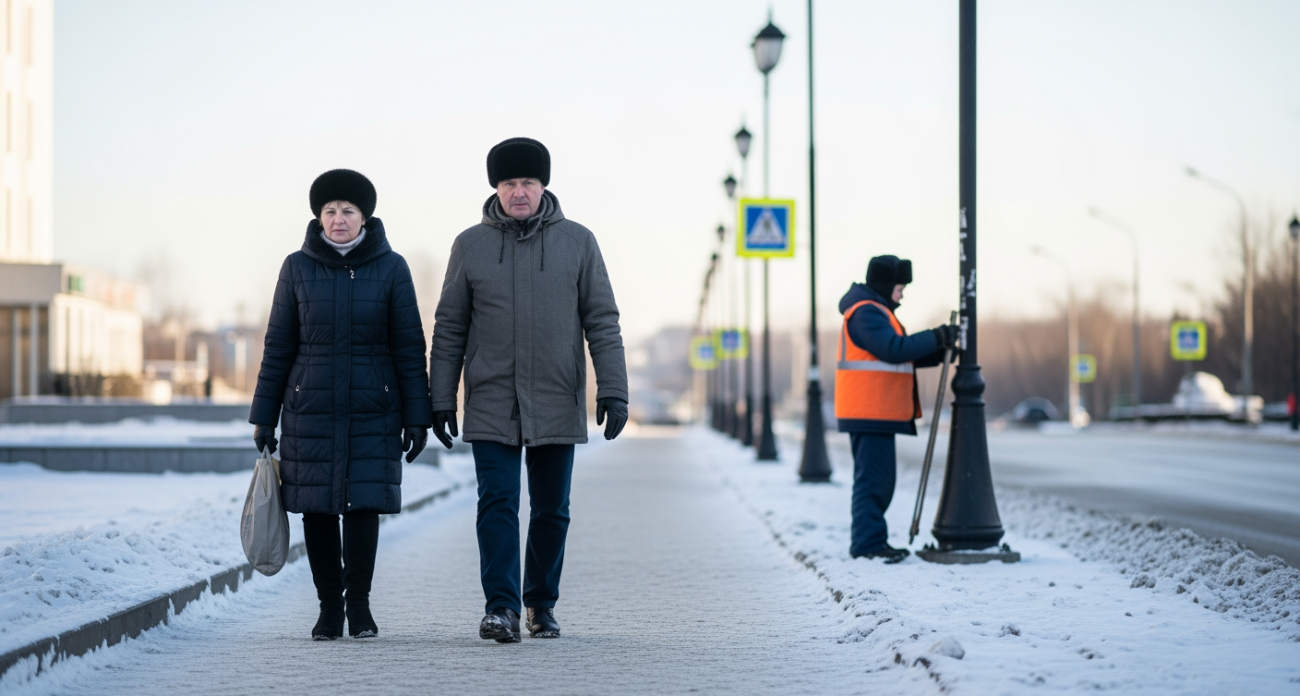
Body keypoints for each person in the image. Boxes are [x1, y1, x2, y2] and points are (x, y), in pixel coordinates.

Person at [429, 137, 628, 642]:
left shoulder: (578, 242)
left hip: (557, 395)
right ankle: (501, 608)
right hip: (492, 396)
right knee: (497, 502)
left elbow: (602, 320)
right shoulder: (470, 245)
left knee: (551, 509)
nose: (519, 192)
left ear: (544, 186)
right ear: (496, 188)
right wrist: (441, 397)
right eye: (509, 183)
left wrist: (614, 389)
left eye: (528, 182)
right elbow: (449, 327)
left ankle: (540, 603)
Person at [249, 169, 432, 640]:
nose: (338, 219)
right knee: (317, 508)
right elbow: (278, 346)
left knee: (363, 506)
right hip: (310, 408)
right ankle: (330, 608)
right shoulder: (296, 267)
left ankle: (360, 606)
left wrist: (417, 417)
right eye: (329, 211)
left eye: (348, 211)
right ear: (318, 218)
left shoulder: (392, 268)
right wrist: (264, 417)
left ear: (364, 217)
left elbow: (409, 347)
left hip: (374, 407)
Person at [835, 255, 959, 564]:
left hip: (874, 410)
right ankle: (867, 544)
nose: (901, 295)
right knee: (873, 483)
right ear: (885, 285)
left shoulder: (875, 311)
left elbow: (900, 354)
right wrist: (937, 336)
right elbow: (892, 350)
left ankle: (872, 541)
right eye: (899, 288)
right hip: (868, 410)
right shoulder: (866, 313)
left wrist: (939, 351)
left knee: (878, 481)